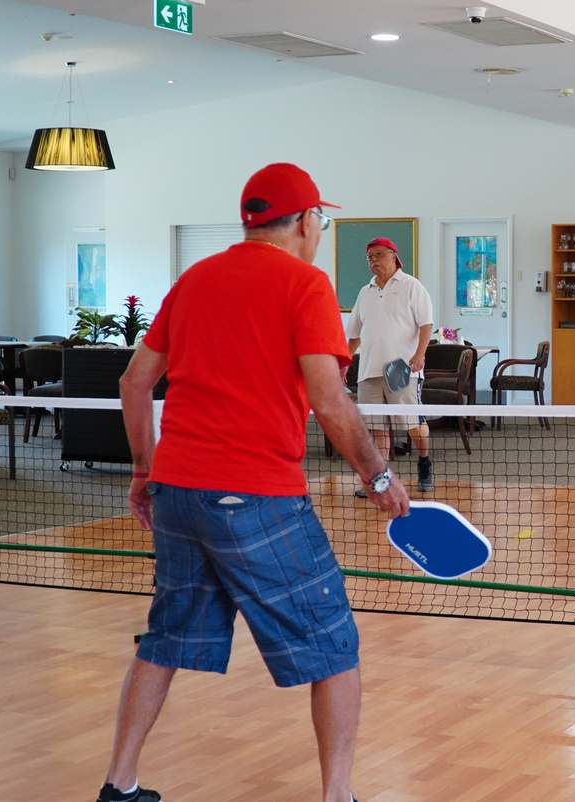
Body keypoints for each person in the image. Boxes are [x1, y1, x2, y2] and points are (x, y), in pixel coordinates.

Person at [96, 163, 408, 802]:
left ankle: (119, 785)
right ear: (304, 222)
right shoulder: (306, 284)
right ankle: (337, 796)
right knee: (334, 643)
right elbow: (329, 399)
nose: (320, 228)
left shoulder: (195, 279)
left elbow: (133, 382)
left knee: (166, 637)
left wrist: (143, 471)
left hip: (177, 493)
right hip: (257, 495)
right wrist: (378, 478)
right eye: (320, 217)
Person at [344, 237, 435, 494]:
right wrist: (342, 364)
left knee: (413, 423)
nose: (374, 260)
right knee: (377, 429)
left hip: (401, 370)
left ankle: (424, 465)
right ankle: (380, 480)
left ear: (394, 256)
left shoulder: (411, 286)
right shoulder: (365, 292)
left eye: (379, 255)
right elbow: (354, 335)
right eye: (370, 257)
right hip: (369, 371)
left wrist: (420, 354)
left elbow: (426, 324)